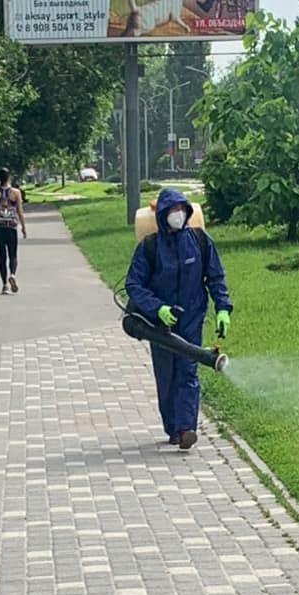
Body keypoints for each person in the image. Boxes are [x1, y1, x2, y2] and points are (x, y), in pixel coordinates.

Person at [125, 188, 233, 451]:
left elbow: (216, 278)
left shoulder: (200, 241)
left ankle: (186, 429)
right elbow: (134, 284)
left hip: (192, 318)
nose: (178, 215)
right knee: (167, 375)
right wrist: (157, 308)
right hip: (160, 324)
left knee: (188, 371)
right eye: (172, 210)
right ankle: (173, 428)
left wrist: (222, 309)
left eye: (181, 210)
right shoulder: (150, 247)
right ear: (163, 215)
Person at [0, 168, 27, 294]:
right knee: (13, 255)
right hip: (11, 227)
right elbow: (20, 211)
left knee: (2, 256)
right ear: (9, 177)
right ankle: (12, 275)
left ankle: (4, 286)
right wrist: (23, 227)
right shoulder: (16, 192)